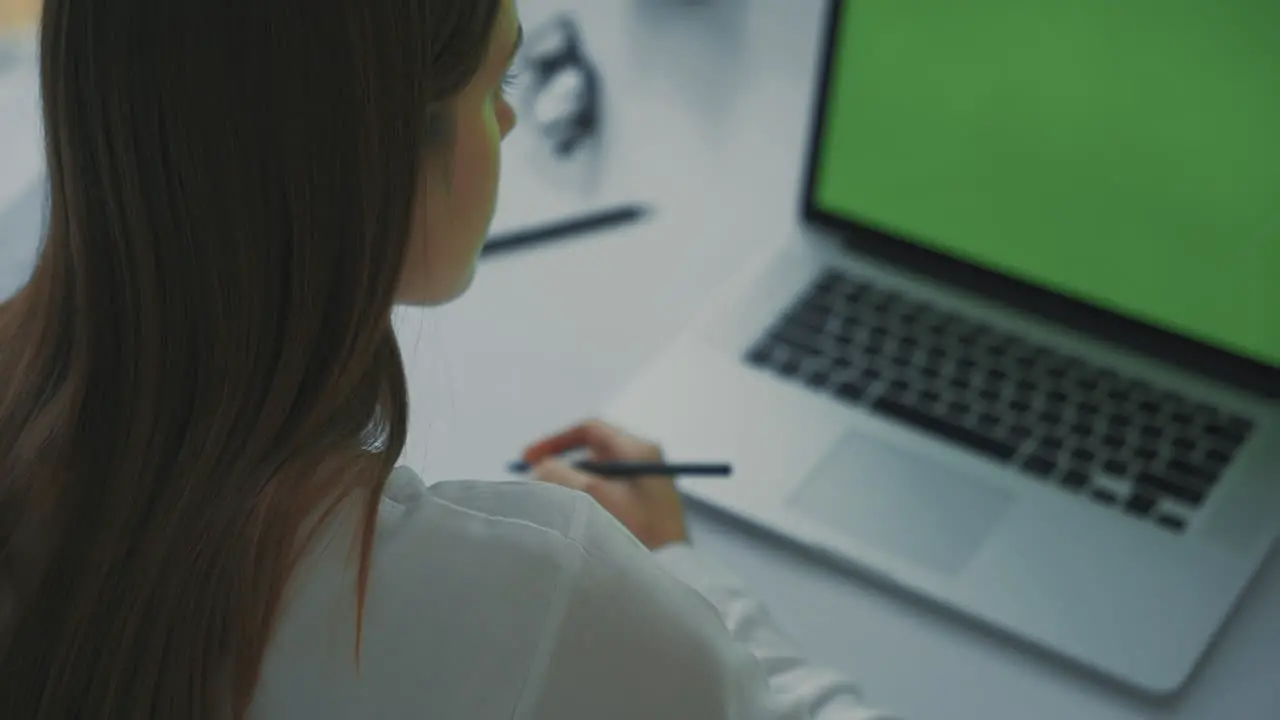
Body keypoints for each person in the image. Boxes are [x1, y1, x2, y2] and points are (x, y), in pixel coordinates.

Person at [0, 0, 900, 718]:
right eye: (493, 79)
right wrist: (685, 569)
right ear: (381, 150)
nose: (509, 117)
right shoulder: (537, 603)